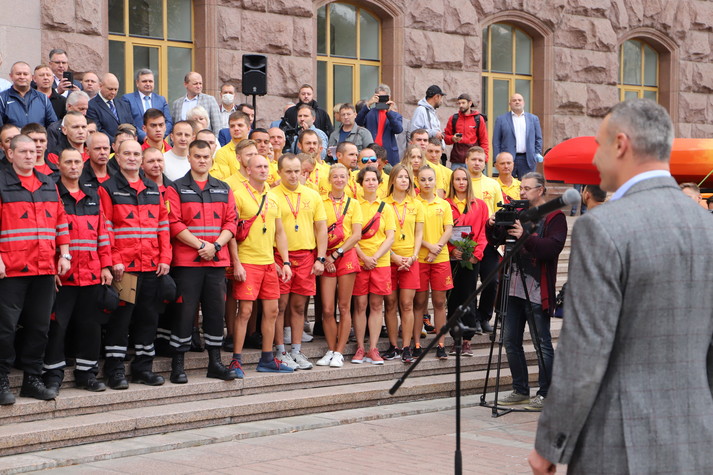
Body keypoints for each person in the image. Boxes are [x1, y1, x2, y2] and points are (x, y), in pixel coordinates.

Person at [529, 98, 713, 474]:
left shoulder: (602, 227)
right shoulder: (706, 227)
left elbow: (584, 349)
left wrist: (550, 445)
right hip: (696, 438)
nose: (595, 158)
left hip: (619, 442)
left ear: (621, 144)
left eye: (599, 144)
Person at [0, 135, 71, 405]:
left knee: (39, 327)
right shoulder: (2, 182)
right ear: (10, 154)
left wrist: (64, 253)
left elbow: (60, 219)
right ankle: (1, 379)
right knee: (5, 328)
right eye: (23, 151)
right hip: (11, 269)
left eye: (33, 151)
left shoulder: (48, 183)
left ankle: (32, 379)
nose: (30, 155)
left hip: (44, 268)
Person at [487, 172, 566, 411]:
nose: (521, 192)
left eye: (527, 188)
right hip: (512, 286)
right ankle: (520, 390)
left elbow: (551, 249)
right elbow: (497, 240)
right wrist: (492, 225)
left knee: (542, 343)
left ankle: (546, 394)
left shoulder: (555, 216)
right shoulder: (518, 213)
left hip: (537, 288)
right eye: (521, 188)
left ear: (540, 190)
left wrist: (525, 237)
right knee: (510, 340)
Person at [98, 139, 172, 389]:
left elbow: (163, 225)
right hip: (125, 269)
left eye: (136, 154)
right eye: (126, 154)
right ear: (117, 158)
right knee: (121, 319)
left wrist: (165, 258)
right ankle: (115, 370)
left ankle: (143, 368)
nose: (132, 158)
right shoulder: (108, 189)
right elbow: (105, 227)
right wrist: (114, 260)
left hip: (151, 266)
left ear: (141, 159)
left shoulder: (152, 188)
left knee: (148, 318)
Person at [163, 139, 238, 383]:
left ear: (211, 159)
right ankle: (178, 366)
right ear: (189, 158)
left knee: (215, 313)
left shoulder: (224, 188)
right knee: (184, 313)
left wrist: (215, 246)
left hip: (216, 260)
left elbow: (231, 222)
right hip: (187, 263)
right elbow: (174, 223)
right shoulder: (175, 188)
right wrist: (201, 246)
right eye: (197, 156)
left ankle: (215, 363)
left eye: (206, 156)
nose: (202, 160)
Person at [42, 148, 113, 394]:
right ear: (59, 166)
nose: (73, 166)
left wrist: (106, 265)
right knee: (57, 327)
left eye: (77, 162)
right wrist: (51, 269)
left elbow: (103, 233)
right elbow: (48, 235)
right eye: (68, 162)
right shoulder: (52, 194)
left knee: (90, 326)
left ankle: (87, 374)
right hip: (63, 276)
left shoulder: (93, 194)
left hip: (91, 273)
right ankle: (53, 375)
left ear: (83, 165)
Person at [227, 154, 294, 376]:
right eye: (258, 167)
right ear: (248, 170)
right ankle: (236, 360)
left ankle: (267, 358)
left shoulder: (273, 197)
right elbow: (232, 233)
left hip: (268, 263)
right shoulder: (238, 195)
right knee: (245, 311)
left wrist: (284, 261)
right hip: (248, 261)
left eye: (266, 166)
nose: (264, 170)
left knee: (272, 310)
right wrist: (236, 263)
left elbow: (280, 233)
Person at [271, 153, 328, 370]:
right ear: (279, 172)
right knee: (280, 306)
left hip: (305, 256)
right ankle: (280, 350)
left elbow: (321, 228)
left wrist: (320, 258)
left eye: (297, 171)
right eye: (288, 171)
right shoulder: (272, 195)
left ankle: (296, 350)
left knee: (298, 306)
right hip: (280, 257)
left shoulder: (312, 195)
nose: (294, 175)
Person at [314, 164, 363, 368]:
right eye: (335, 176)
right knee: (327, 309)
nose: (339, 180)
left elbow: (356, 234)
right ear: (329, 179)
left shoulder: (354, 203)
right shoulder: (320, 201)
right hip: (325, 255)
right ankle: (331, 348)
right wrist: (325, 257)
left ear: (348, 179)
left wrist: (335, 255)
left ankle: (340, 351)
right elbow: (317, 230)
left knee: (343, 306)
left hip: (345, 255)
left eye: (343, 176)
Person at [352, 166, 396, 365]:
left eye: (374, 180)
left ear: (379, 183)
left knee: (377, 305)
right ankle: (360, 347)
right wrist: (364, 257)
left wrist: (375, 257)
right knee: (360, 305)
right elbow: (351, 236)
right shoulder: (354, 205)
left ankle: (373, 348)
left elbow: (390, 236)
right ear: (360, 183)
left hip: (381, 262)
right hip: (359, 260)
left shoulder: (386, 207)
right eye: (367, 180)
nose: (371, 183)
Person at [382, 163, 424, 363]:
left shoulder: (416, 204)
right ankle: (393, 345)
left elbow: (419, 233)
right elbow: (381, 235)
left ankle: (407, 346)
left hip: (410, 259)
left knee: (407, 304)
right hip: (388, 259)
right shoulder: (383, 204)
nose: (404, 180)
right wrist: (393, 256)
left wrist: (414, 256)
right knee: (390, 303)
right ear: (392, 180)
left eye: (406, 177)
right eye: (400, 177)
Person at [412, 165, 454, 359]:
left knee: (439, 301)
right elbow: (414, 232)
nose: (427, 183)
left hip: (441, 257)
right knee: (419, 302)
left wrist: (437, 248)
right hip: (420, 258)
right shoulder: (414, 203)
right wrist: (430, 247)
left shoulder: (443, 204)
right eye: (423, 179)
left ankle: (441, 343)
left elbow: (448, 229)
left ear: (436, 181)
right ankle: (417, 343)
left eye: (430, 179)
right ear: (417, 181)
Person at [446, 167, 488, 354]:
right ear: (452, 182)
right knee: (452, 298)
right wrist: (451, 250)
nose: (461, 182)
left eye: (464, 179)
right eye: (457, 179)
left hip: (471, 257)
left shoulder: (480, 205)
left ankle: (467, 339)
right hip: (451, 258)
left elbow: (483, 232)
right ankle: (455, 337)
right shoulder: (445, 204)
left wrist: (476, 254)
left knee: (469, 295)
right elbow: (441, 231)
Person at [466, 146, 502, 332]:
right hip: (468, 241)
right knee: (469, 283)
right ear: (466, 161)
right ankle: (472, 318)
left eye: (480, 160)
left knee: (491, 280)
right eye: (474, 159)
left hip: (488, 240)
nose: (477, 163)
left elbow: (499, 211)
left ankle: (484, 316)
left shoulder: (492, 184)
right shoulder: (461, 181)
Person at [492, 93, 543, 179]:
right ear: (510, 104)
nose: (517, 102)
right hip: (507, 160)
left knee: (527, 184)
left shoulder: (533, 119)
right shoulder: (501, 119)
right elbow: (496, 142)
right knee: (507, 184)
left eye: (519, 100)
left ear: (524, 103)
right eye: (514, 100)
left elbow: (538, 139)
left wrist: (536, 154)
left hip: (527, 159)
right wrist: (497, 159)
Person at [356, 84, 403, 166]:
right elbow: (358, 121)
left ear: (389, 97)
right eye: (379, 97)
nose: (381, 100)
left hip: (388, 152)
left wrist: (389, 112)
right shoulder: (369, 112)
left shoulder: (394, 114)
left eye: (384, 97)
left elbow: (398, 130)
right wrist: (368, 104)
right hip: (371, 150)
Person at [0, 62, 57, 128]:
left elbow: (53, 125)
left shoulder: (43, 98)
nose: (22, 77)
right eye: (18, 74)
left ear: (31, 77)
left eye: (25, 74)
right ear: (11, 76)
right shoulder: (2, 98)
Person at [122, 69, 172, 143]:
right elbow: (128, 122)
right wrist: (144, 137)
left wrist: (159, 136)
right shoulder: (127, 99)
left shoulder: (161, 100)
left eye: (150, 81)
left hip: (158, 143)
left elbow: (169, 122)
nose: (148, 84)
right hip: (137, 143)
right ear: (137, 83)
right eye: (144, 81)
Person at [444, 93, 488, 168]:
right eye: (459, 103)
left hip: (474, 160)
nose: (461, 105)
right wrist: (452, 139)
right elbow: (445, 138)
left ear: (470, 103)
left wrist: (485, 158)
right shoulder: (453, 118)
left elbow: (484, 140)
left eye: (463, 103)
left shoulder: (478, 119)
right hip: (457, 160)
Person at [86, 73, 133, 141]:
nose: (113, 92)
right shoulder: (92, 105)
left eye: (116, 89)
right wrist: (116, 142)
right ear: (100, 86)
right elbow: (98, 129)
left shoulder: (123, 104)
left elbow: (131, 125)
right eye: (110, 89)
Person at [47, 90, 90, 156]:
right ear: (69, 107)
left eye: (86, 109)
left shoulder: (91, 126)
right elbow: (51, 154)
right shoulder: (54, 129)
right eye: (81, 109)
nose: (85, 113)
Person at [210, 111, 250, 180]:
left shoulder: (256, 150)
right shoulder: (222, 153)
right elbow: (224, 181)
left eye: (240, 125)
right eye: (232, 126)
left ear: (248, 128)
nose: (236, 128)